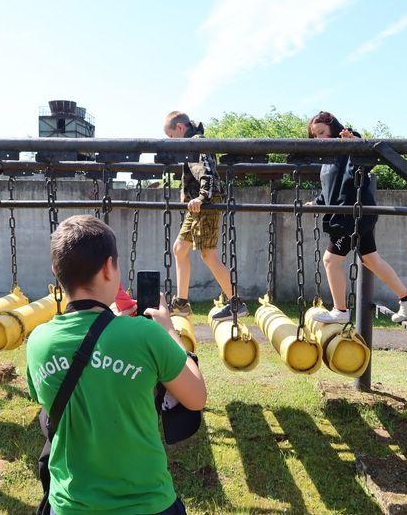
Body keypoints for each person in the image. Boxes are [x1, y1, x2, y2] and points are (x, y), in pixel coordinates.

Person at [26, 215, 206, 513]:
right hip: (147, 504)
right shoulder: (145, 335)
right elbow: (196, 396)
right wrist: (169, 331)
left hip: (70, 506)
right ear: (110, 267)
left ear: (57, 272)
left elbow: (52, 399)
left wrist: (111, 329)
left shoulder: (38, 340)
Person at [307, 111, 407, 324]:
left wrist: (353, 142)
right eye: (315, 136)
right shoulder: (329, 159)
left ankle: (340, 311)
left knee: (330, 260)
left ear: (333, 127)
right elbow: (329, 189)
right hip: (350, 214)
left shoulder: (348, 141)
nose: (320, 138)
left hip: (351, 216)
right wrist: (316, 203)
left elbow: (367, 159)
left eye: (322, 132)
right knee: (371, 260)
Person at [164, 111, 248, 321]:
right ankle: (181, 303)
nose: (172, 142)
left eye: (171, 136)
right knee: (179, 249)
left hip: (205, 203)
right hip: (196, 205)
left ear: (180, 128)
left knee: (208, 253)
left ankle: (236, 303)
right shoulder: (191, 144)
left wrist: (202, 197)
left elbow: (208, 172)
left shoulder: (196, 143)